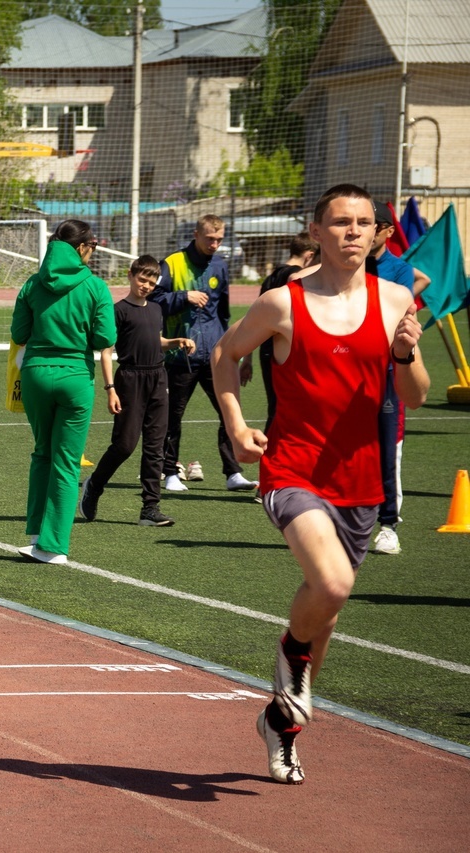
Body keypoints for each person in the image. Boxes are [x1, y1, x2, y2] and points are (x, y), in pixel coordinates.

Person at [212, 184, 429, 785]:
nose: (353, 232)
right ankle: (289, 656)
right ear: (315, 231)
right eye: (340, 222)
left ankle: (281, 727)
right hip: (291, 469)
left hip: (360, 481)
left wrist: (407, 355)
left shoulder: (394, 301)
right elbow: (225, 356)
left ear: (378, 234)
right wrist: (235, 426)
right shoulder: (283, 303)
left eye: (364, 223)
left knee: (326, 608)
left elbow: (414, 395)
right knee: (331, 584)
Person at [11, 219, 116, 563]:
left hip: (37, 374)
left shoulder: (32, 282)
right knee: (67, 462)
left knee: (42, 452)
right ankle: (53, 546)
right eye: (92, 247)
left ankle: (38, 533)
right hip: (75, 377)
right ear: (83, 247)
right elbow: (104, 340)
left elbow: (19, 332)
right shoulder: (96, 287)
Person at [81, 255, 195, 528]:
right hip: (129, 379)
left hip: (158, 377)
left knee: (156, 446)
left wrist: (175, 341)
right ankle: (94, 485)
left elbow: (155, 340)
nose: (146, 285)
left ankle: (150, 508)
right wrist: (110, 389)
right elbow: (107, 352)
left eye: (152, 281)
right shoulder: (118, 310)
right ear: (131, 275)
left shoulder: (156, 309)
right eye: (142, 279)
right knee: (125, 445)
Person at [153, 214, 257, 493]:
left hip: (215, 355)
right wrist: (182, 297)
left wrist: (236, 353)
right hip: (179, 355)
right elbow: (153, 301)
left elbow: (223, 313)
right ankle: (170, 472)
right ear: (196, 234)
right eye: (210, 238)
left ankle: (233, 472)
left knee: (229, 413)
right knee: (173, 417)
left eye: (219, 239)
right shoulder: (172, 264)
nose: (215, 244)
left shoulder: (220, 266)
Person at [366, 202, 431, 557]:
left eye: (372, 224)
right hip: (346, 370)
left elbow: (396, 313)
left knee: (389, 451)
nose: (364, 231)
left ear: (388, 231)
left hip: (388, 373)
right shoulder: (344, 266)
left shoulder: (399, 270)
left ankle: (389, 524)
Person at [257, 233, 318, 432]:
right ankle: (271, 453)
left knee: (275, 407)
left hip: (265, 346)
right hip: (283, 349)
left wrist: (247, 358)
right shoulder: (296, 277)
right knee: (285, 409)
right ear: (309, 256)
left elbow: (254, 315)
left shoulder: (270, 277)